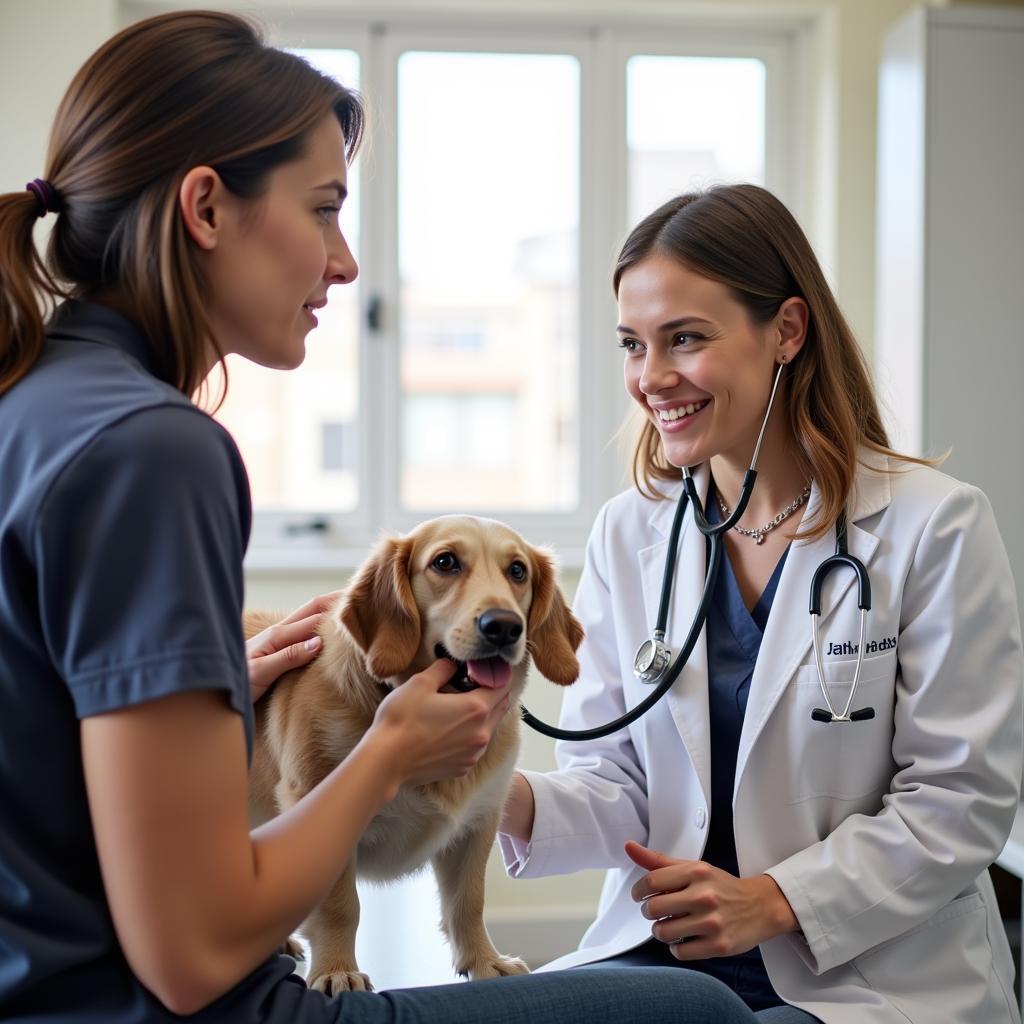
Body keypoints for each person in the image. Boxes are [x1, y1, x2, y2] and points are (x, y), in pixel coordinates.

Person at [0, 10, 801, 1024]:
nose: (344, 261)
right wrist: (385, 751)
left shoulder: (32, 402)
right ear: (205, 207)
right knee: (703, 1016)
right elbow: (194, 954)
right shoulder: (154, 448)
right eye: (325, 208)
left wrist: (210, 698)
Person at [498, 184, 1024, 1024]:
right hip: (662, 959)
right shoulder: (629, 533)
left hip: (867, 978)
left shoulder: (935, 523)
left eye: (686, 339)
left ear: (785, 330)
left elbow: (961, 802)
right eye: (633, 345)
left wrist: (774, 900)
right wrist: (485, 790)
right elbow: (617, 785)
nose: (651, 378)